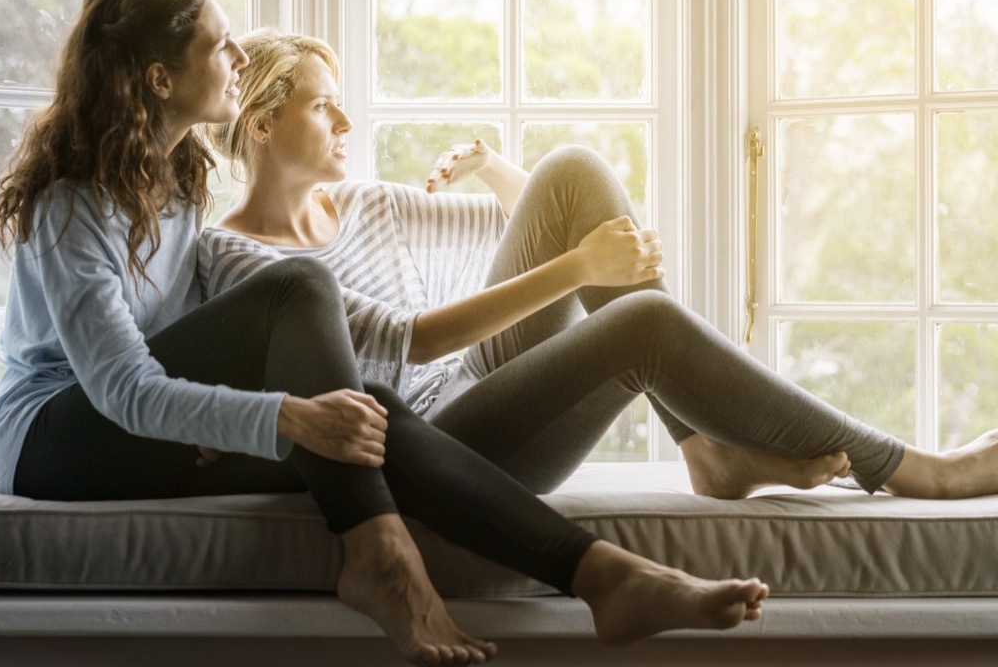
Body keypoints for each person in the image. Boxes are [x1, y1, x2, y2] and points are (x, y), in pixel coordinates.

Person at [0, 0, 771, 667]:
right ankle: (382, 558)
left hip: (153, 423)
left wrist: (306, 406)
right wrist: (287, 416)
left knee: (368, 412)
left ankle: (602, 575)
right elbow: (124, 391)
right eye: (219, 46)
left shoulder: (182, 181)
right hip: (60, 437)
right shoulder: (70, 206)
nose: (237, 59)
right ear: (159, 79)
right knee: (304, 304)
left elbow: (239, 334)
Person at [201, 27, 998, 503]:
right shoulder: (234, 256)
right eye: (320, 104)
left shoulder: (368, 203)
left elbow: (533, 223)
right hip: (430, 448)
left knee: (573, 169)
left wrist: (493, 168)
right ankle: (917, 471)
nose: (345, 118)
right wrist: (584, 267)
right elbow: (414, 341)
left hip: (469, 387)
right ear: (263, 125)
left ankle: (704, 451)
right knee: (639, 321)